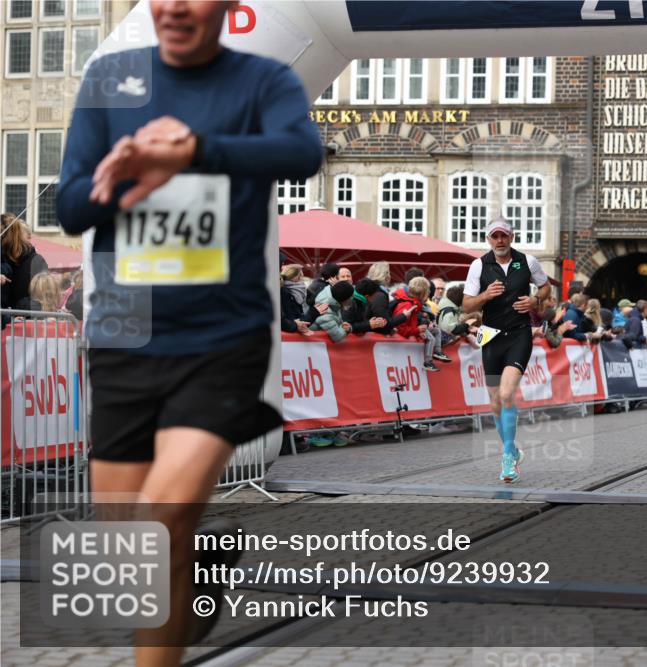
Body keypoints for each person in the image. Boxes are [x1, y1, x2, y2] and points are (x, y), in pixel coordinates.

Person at [55, 2, 323, 664]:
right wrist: (115, 175)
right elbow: (68, 206)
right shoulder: (112, 79)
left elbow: (302, 152)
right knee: (128, 554)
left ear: (230, 5)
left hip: (221, 337)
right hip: (125, 330)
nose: (175, 4)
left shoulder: (263, 81)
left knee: (159, 521)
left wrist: (195, 152)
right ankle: (202, 557)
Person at [462, 217, 550, 483]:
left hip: (519, 334)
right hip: (489, 335)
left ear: (511, 237)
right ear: (488, 239)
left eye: (504, 236)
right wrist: (485, 296)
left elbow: (545, 287)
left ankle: (507, 460)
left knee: (507, 392)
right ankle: (512, 449)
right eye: (494, 236)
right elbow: (467, 306)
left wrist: (534, 300)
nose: (499, 241)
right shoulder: (479, 265)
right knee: (494, 400)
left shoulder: (528, 261)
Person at [393, 276, 444, 371]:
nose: (429, 292)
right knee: (431, 338)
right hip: (400, 351)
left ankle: (437, 353)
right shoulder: (407, 304)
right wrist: (417, 330)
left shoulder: (415, 304)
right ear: (422, 292)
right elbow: (400, 329)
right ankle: (428, 362)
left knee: (436, 331)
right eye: (427, 290)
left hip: (413, 334)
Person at [1, 213, 49, 313]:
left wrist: (16, 311)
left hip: (24, 324)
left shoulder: (36, 261)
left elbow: (43, 298)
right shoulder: (4, 260)